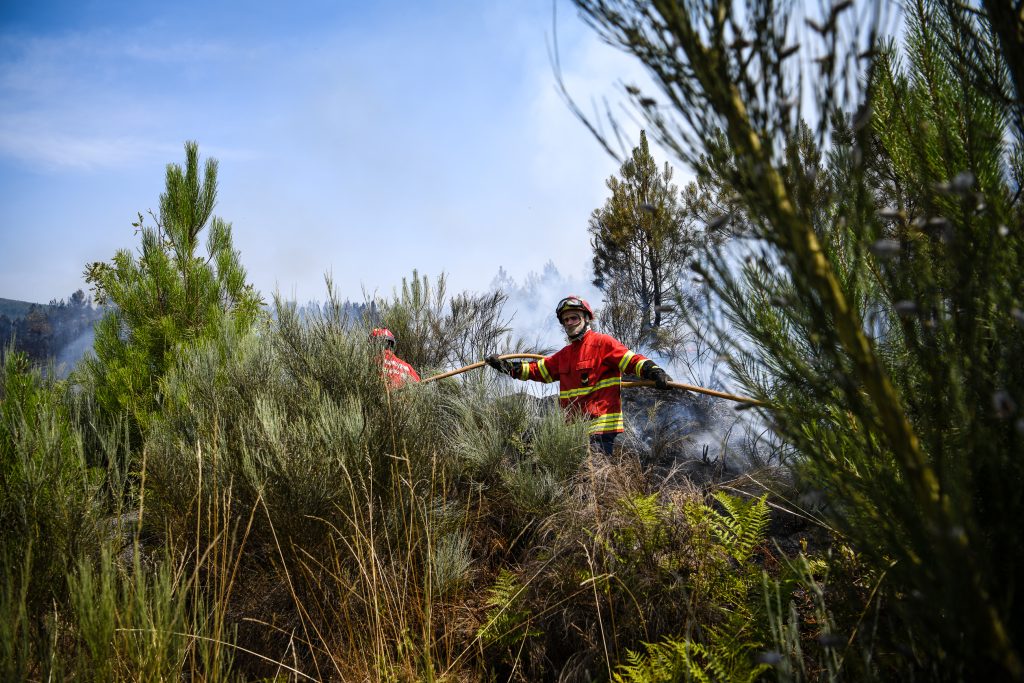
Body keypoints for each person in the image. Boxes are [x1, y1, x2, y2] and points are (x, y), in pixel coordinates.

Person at [485, 295, 672, 455]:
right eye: (565, 320)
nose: (568, 323)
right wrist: (507, 367)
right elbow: (538, 370)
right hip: (574, 432)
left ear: (586, 318)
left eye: (573, 318)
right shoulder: (565, 355)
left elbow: (631, 361)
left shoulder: (602, 343)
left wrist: (654, 371)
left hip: (601, 429)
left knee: (594, 485)